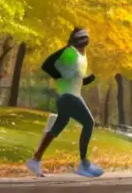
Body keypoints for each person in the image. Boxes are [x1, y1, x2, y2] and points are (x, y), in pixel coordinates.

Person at [26, 27, 103, 178]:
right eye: (84, 37)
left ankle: (36, 159)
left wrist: (86, 80)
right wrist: (58, 77)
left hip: (70, 94)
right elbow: (47, 64)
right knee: (89, 122)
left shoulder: (80, 56)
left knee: (58, 127)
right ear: (80, 40)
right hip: (68, 96)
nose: (87, 40)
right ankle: (83, 163)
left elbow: (73, 78)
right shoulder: (69, 52)